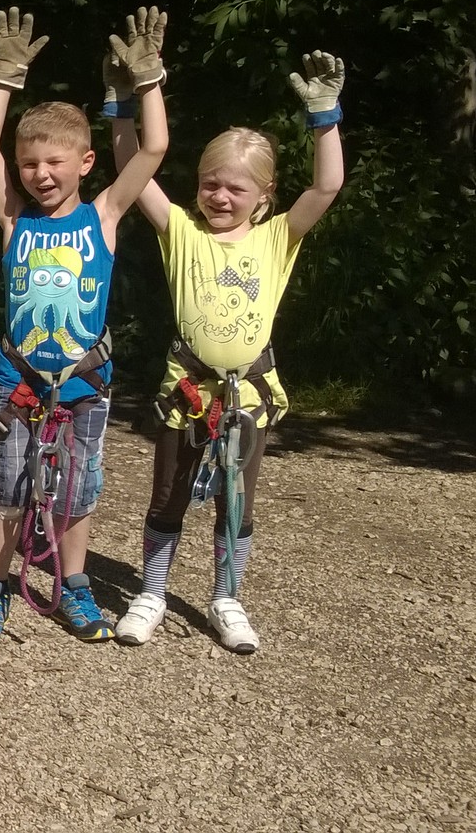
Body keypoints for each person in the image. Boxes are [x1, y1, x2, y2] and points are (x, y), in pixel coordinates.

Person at [112, 51, 345, 653]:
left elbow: (327, 186)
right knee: (168, 494)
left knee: (236, 500)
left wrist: (324, 117)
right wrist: (129, 102)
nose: (219, 196)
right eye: (209, 184)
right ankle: (152, 593)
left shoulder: (277, 237)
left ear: (263, 195)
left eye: (235, 188)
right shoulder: (180, 232)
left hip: (248, 395)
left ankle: (227, 597)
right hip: (186, 392)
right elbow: (131, 169)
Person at [0, 6, 170, 647]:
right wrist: (5, 76)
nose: (40, 174)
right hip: (19, 378)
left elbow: (154, 148)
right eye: (29, 164)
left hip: (84, 380)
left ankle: (74, 586)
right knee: (8, 489)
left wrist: (147, 80)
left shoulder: (103, 216)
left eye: (54, 162)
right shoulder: (14, 220)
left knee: (77, 492)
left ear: (86, 162)